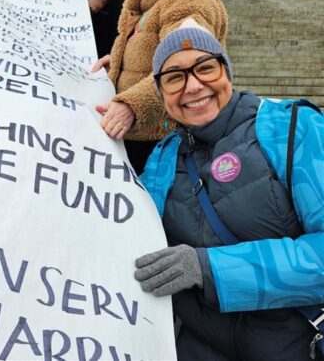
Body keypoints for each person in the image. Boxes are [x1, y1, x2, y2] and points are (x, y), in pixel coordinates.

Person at [135, 21, 324, 360]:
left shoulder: (293, 126)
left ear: (227, 71)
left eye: (205, 68)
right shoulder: (162, 158)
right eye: (174, 77)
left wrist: (208, 268)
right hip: (196, 344)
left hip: (295, 343)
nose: (193, 86)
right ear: (160, 91)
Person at [93, 0, 228, 175]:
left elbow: (187, 65)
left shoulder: (191, 0)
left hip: (167, 140)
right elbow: (155, 46)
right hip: (144, 135)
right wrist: (120, 59)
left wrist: (133, 104)